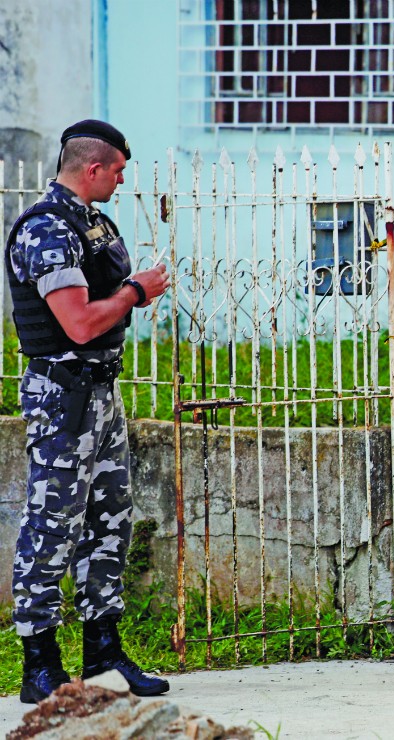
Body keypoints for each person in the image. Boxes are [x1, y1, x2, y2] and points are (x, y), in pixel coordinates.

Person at [6, 120, 171, 703]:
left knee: (109, 523)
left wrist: (127, 291)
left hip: (100, 393)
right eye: (119, 170)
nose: (123, 180)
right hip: (61, 396)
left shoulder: (93, 223)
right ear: (92, 167)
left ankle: (103, 653)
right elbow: (77, 324)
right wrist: (135, 292)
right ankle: (39, 664)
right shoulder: (47, 229)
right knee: (52, 526)